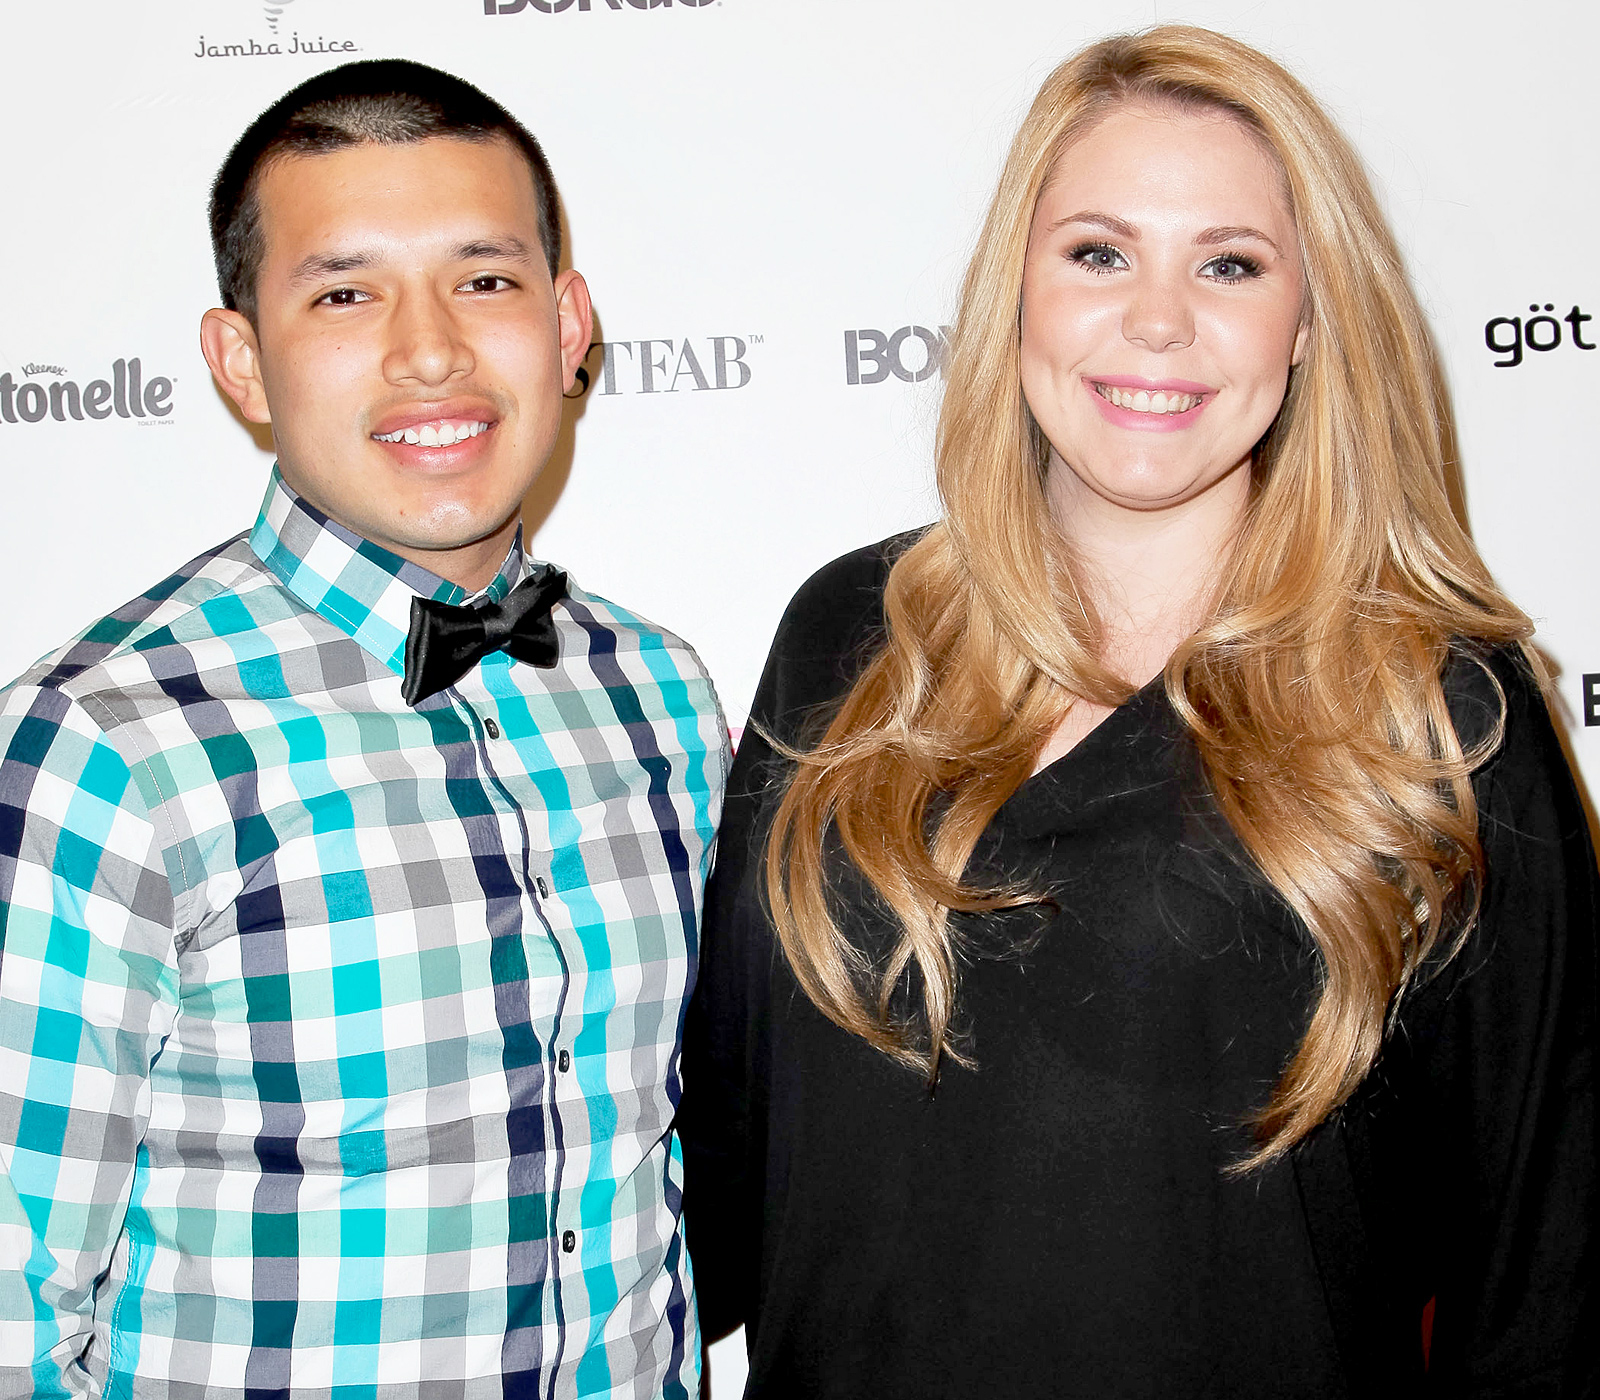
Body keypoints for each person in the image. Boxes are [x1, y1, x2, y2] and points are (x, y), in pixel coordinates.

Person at [680, 26, 1597, 1398]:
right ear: (1019, 297)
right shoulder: (853, 631)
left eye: (1230, 265)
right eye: (1098, 253)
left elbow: (1552, 1265)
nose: (1157, 321)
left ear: (1308, 325)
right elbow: (722, 1166)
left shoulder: (1438, 702)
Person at [0, 60, 726, 1399]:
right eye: (345, 293)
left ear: (570, 325)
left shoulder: (662, 696)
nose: (430, 349)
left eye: (486, 279)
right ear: (242, 361)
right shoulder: (103, 746)